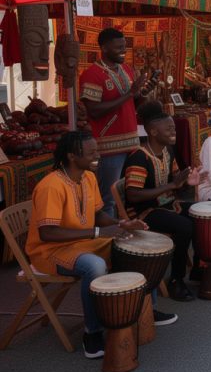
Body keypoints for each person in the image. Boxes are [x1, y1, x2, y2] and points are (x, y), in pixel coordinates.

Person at [26, 131, 149, 358]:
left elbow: (97, 214)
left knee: (132, 248)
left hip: (83, 243)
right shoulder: (51, 186)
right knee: (94, 266)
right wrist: (98, 232)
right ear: (72, 156)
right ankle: (92, 332)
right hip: (50, 251)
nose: (98, 155)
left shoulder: (88, 177)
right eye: (91, 152)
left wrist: (121, 224)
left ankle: (139, 315)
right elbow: (47, 233)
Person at [122, 102, 204, 302]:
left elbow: (176, 184)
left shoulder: (168, 152)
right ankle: (176, 280)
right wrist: (172, 186)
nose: (173, 131)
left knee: (200, 213)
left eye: (173, 128)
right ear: (152, 131)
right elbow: (133, 195)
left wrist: (188, 182)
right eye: (168, 128)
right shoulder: (139, 157)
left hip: (166, 206)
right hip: (145, 212)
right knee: (184, 226)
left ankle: (199, 267)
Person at [80, 27, 160, 215]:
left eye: (124, 47)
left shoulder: (125, 69)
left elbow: (133, 105)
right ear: (105, 48)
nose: (124, 51)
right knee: (108, 198)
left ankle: (125, 231)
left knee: (127, 195)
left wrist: (145, 92)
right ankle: (108, 239)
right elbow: (94, 111)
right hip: (109, 147)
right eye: (118, 48)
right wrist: (130, 93)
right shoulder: (92, 74)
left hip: (131, 143)